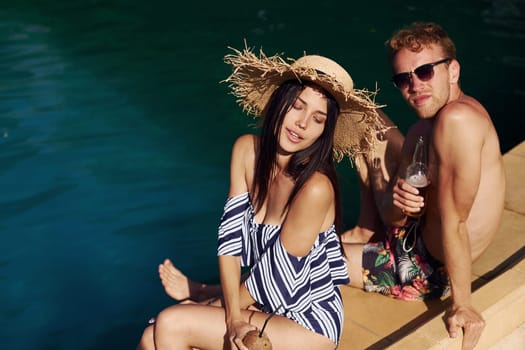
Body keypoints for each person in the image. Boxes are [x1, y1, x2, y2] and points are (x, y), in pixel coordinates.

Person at [136, 46, 389, 350]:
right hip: (266, 306)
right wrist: (229, 318)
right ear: (279, 101)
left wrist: (212, 308)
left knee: (172, 323)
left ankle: (202, 296)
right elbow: (230, 241)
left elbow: (274, 277)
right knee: (150, 340)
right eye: (297, 105)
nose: (302, 123)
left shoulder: (315, 188)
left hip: (308, 322)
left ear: (325, 130)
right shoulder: (246, 151)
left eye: (318, 118)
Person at [360, 22, 505, 350]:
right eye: (403, 79)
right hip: (411, 234)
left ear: (452, 71)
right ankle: (361, 226)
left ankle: (217, 295)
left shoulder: (458, 121)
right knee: (365, 118)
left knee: (316, 258)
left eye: (425, 71)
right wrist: (400, 201)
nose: (414, 85)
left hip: (422, 270)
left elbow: (456, 221)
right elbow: (395, 217)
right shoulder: (422, 130)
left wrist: (462, 304)